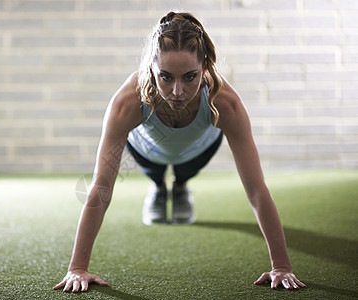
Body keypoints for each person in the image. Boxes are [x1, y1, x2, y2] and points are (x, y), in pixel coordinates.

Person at [54, 11, 306, 293]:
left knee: (184, 171)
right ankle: (159, 187)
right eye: (166, 77)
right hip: (146, 154)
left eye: (189, 77)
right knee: (155, 172)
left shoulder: (226, 103)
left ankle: (181, 185)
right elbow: (101, 188)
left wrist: (281, 266)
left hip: (197, 153)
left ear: (206, 67)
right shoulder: (128, 101)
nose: (177, 91)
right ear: (152, 68)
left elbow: (257, 191)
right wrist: (77, 268)